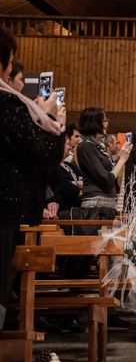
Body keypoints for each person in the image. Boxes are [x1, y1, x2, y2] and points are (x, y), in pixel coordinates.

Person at [0, 28, 66, 329]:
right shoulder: (7, 104)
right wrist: (49, 118)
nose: (12, 70)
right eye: (11, 63)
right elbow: (43, 154)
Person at [76, 107, 131, 213]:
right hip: (96, 203)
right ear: (96, 123)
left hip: (106, 201)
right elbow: (105, 178)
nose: (107, 123)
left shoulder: (97, 145)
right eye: (105, 120)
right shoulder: (86, 146)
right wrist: (122, 159)